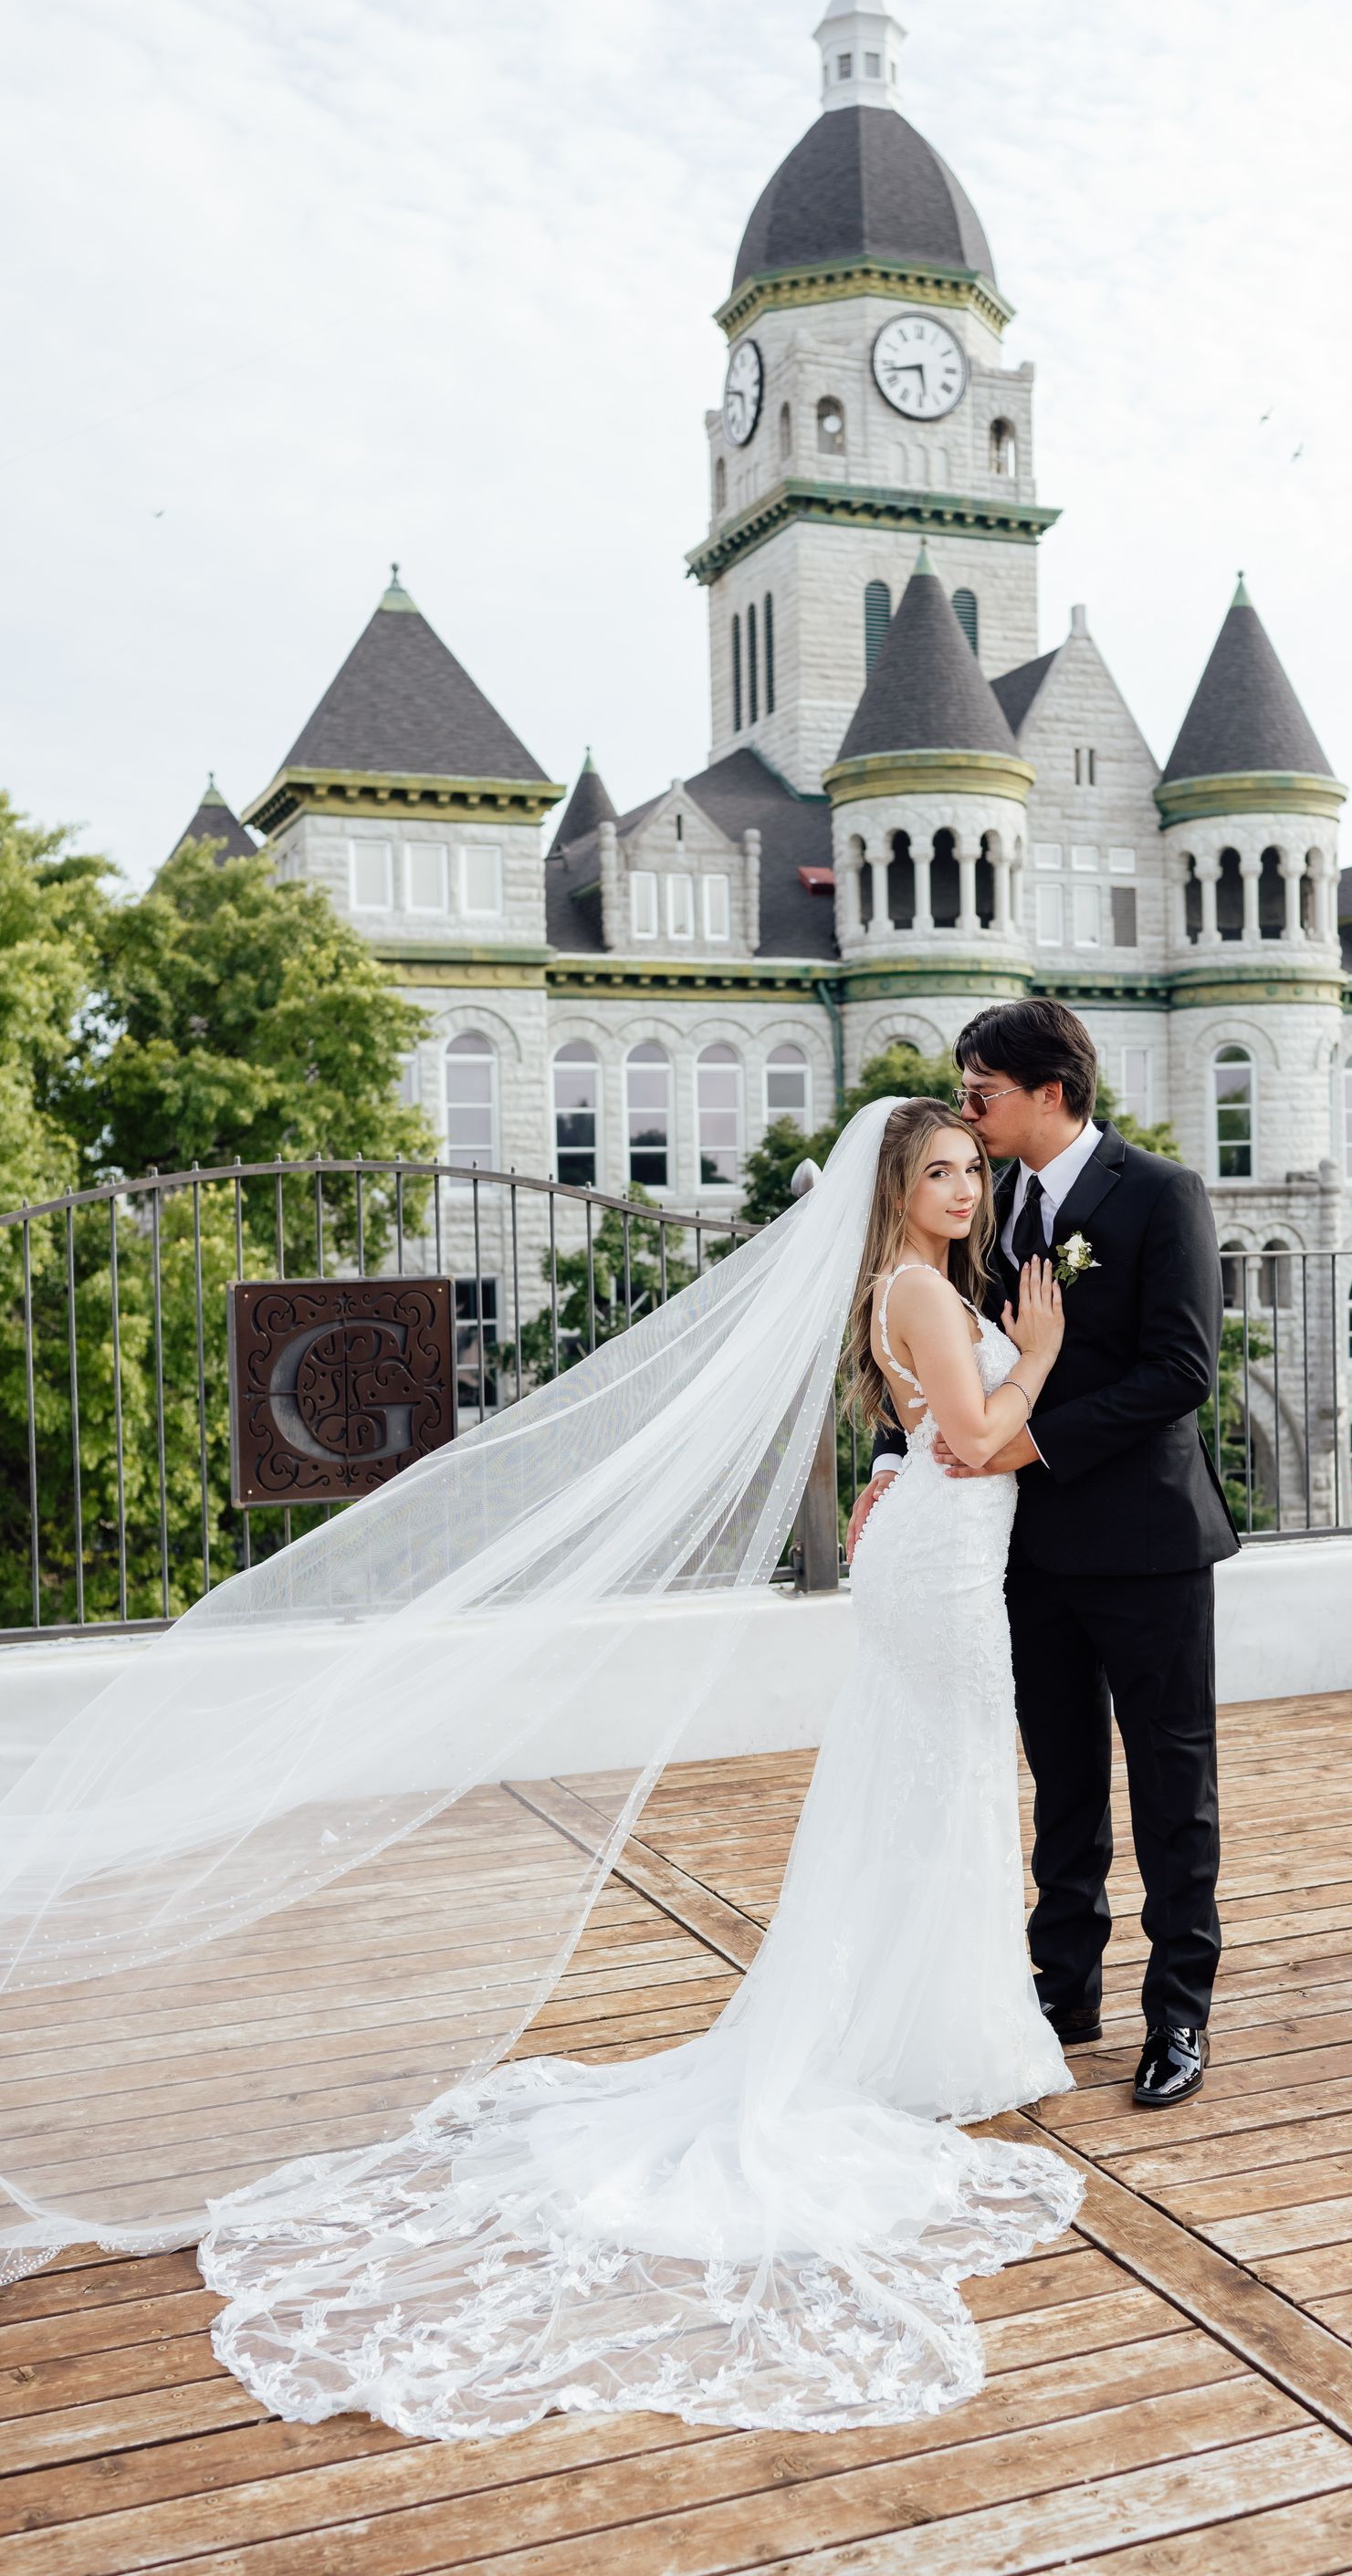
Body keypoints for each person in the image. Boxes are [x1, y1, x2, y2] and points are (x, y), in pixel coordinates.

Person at [2, 1098, 1085, 2442]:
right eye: (941, 1171)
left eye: (973, 1170)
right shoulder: (919, 1284)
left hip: (937, 1548)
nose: (966, 1188)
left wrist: (932, 1438)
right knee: (950, 1780)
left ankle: (932, 2023)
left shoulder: (912, 1282)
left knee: (940, 1787)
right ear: (897, 1187)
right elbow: (978, 1437)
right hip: (946, 1566)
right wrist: (1036, 1355)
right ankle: (933, 2032)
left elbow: (929, 1439)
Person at [849, 1001, 1238, 2110]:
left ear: (1050, 1091)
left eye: (982, 1095)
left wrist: (1028, 1439)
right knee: (1061, 1782)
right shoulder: (986, 1203)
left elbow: (1182, 1369)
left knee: (1173, 1783)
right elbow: (938, 1365)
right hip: (1017, 1551)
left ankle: (1180, 2013)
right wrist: (888, 1468)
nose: (967, 1116)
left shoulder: (1163, 1193)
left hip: (1150, 1543)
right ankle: (1064, 1990)